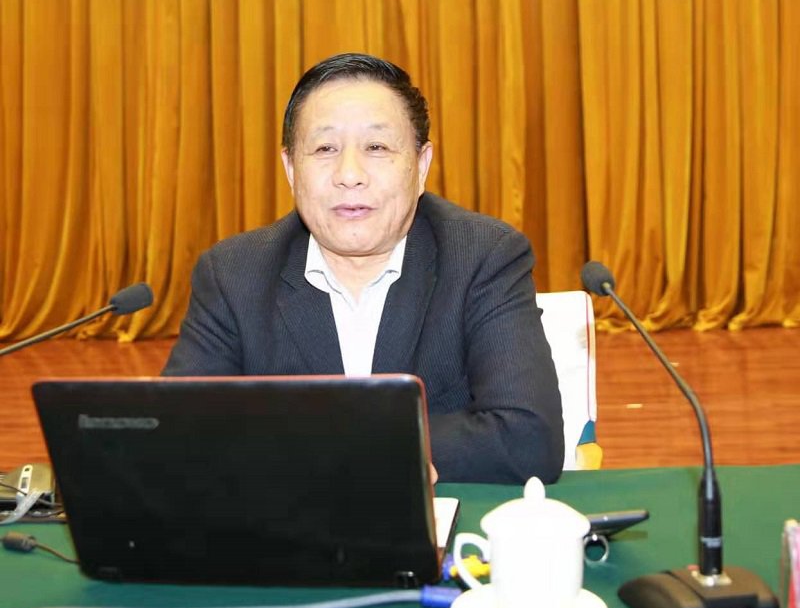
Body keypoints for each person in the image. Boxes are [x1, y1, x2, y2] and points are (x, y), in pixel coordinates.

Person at [163, 52, 564, 484]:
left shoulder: (482, 256)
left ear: (421, 165)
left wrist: (337, 445)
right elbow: (178, 433)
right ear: (291, 169)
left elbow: (528, 437)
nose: (350, 174)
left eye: (376, 148)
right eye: (325, 149)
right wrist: (380, 446)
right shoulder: (233, 274)